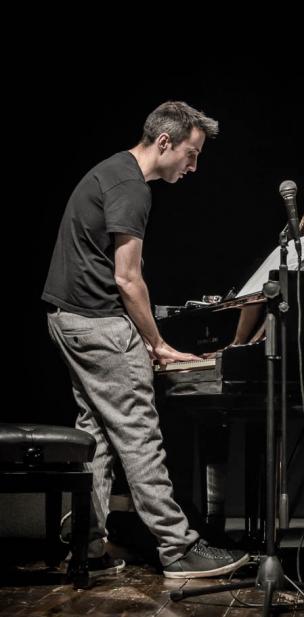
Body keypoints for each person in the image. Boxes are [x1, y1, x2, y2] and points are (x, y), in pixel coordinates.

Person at [41, 100, 249, 579]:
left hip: (68, 320)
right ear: (165, 142)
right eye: (192, 154)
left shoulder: (112, 170)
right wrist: (157, 343)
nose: (193, 167)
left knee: (94, 435)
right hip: (100, 325)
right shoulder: (131, 187)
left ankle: (88, 546)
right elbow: (128, 278)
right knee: (140, 436)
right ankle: (178, 548)